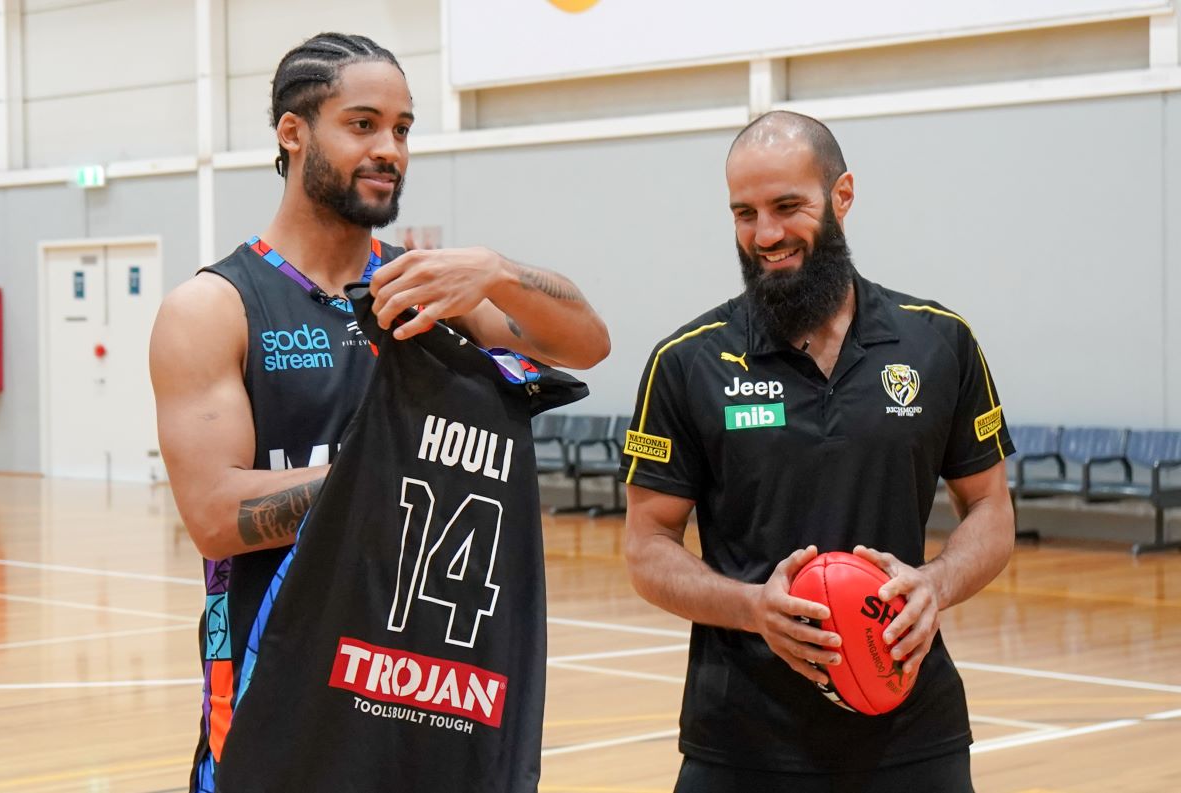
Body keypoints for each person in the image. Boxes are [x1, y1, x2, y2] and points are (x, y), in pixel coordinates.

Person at [149, 32, 609, 793]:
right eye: (362, 124)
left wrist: (497, 271)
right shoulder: (214, 307)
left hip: (412, 687)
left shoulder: (425, 291)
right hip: (280, 692)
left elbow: (587, 343)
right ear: (293, 133)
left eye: (402, 128)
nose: (389, 148)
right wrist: (384, 471)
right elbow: (213, 512)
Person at [620, 110, 1014, 792]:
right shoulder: (687, 361)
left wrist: (935, 584)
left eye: (787, 206)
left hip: (912, 731)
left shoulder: (938, 341)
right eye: (743, 213)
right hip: (741, 739)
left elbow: (990, 507)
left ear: (842, 196)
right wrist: (752, 608)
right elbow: (646, 545)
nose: (765, 235)